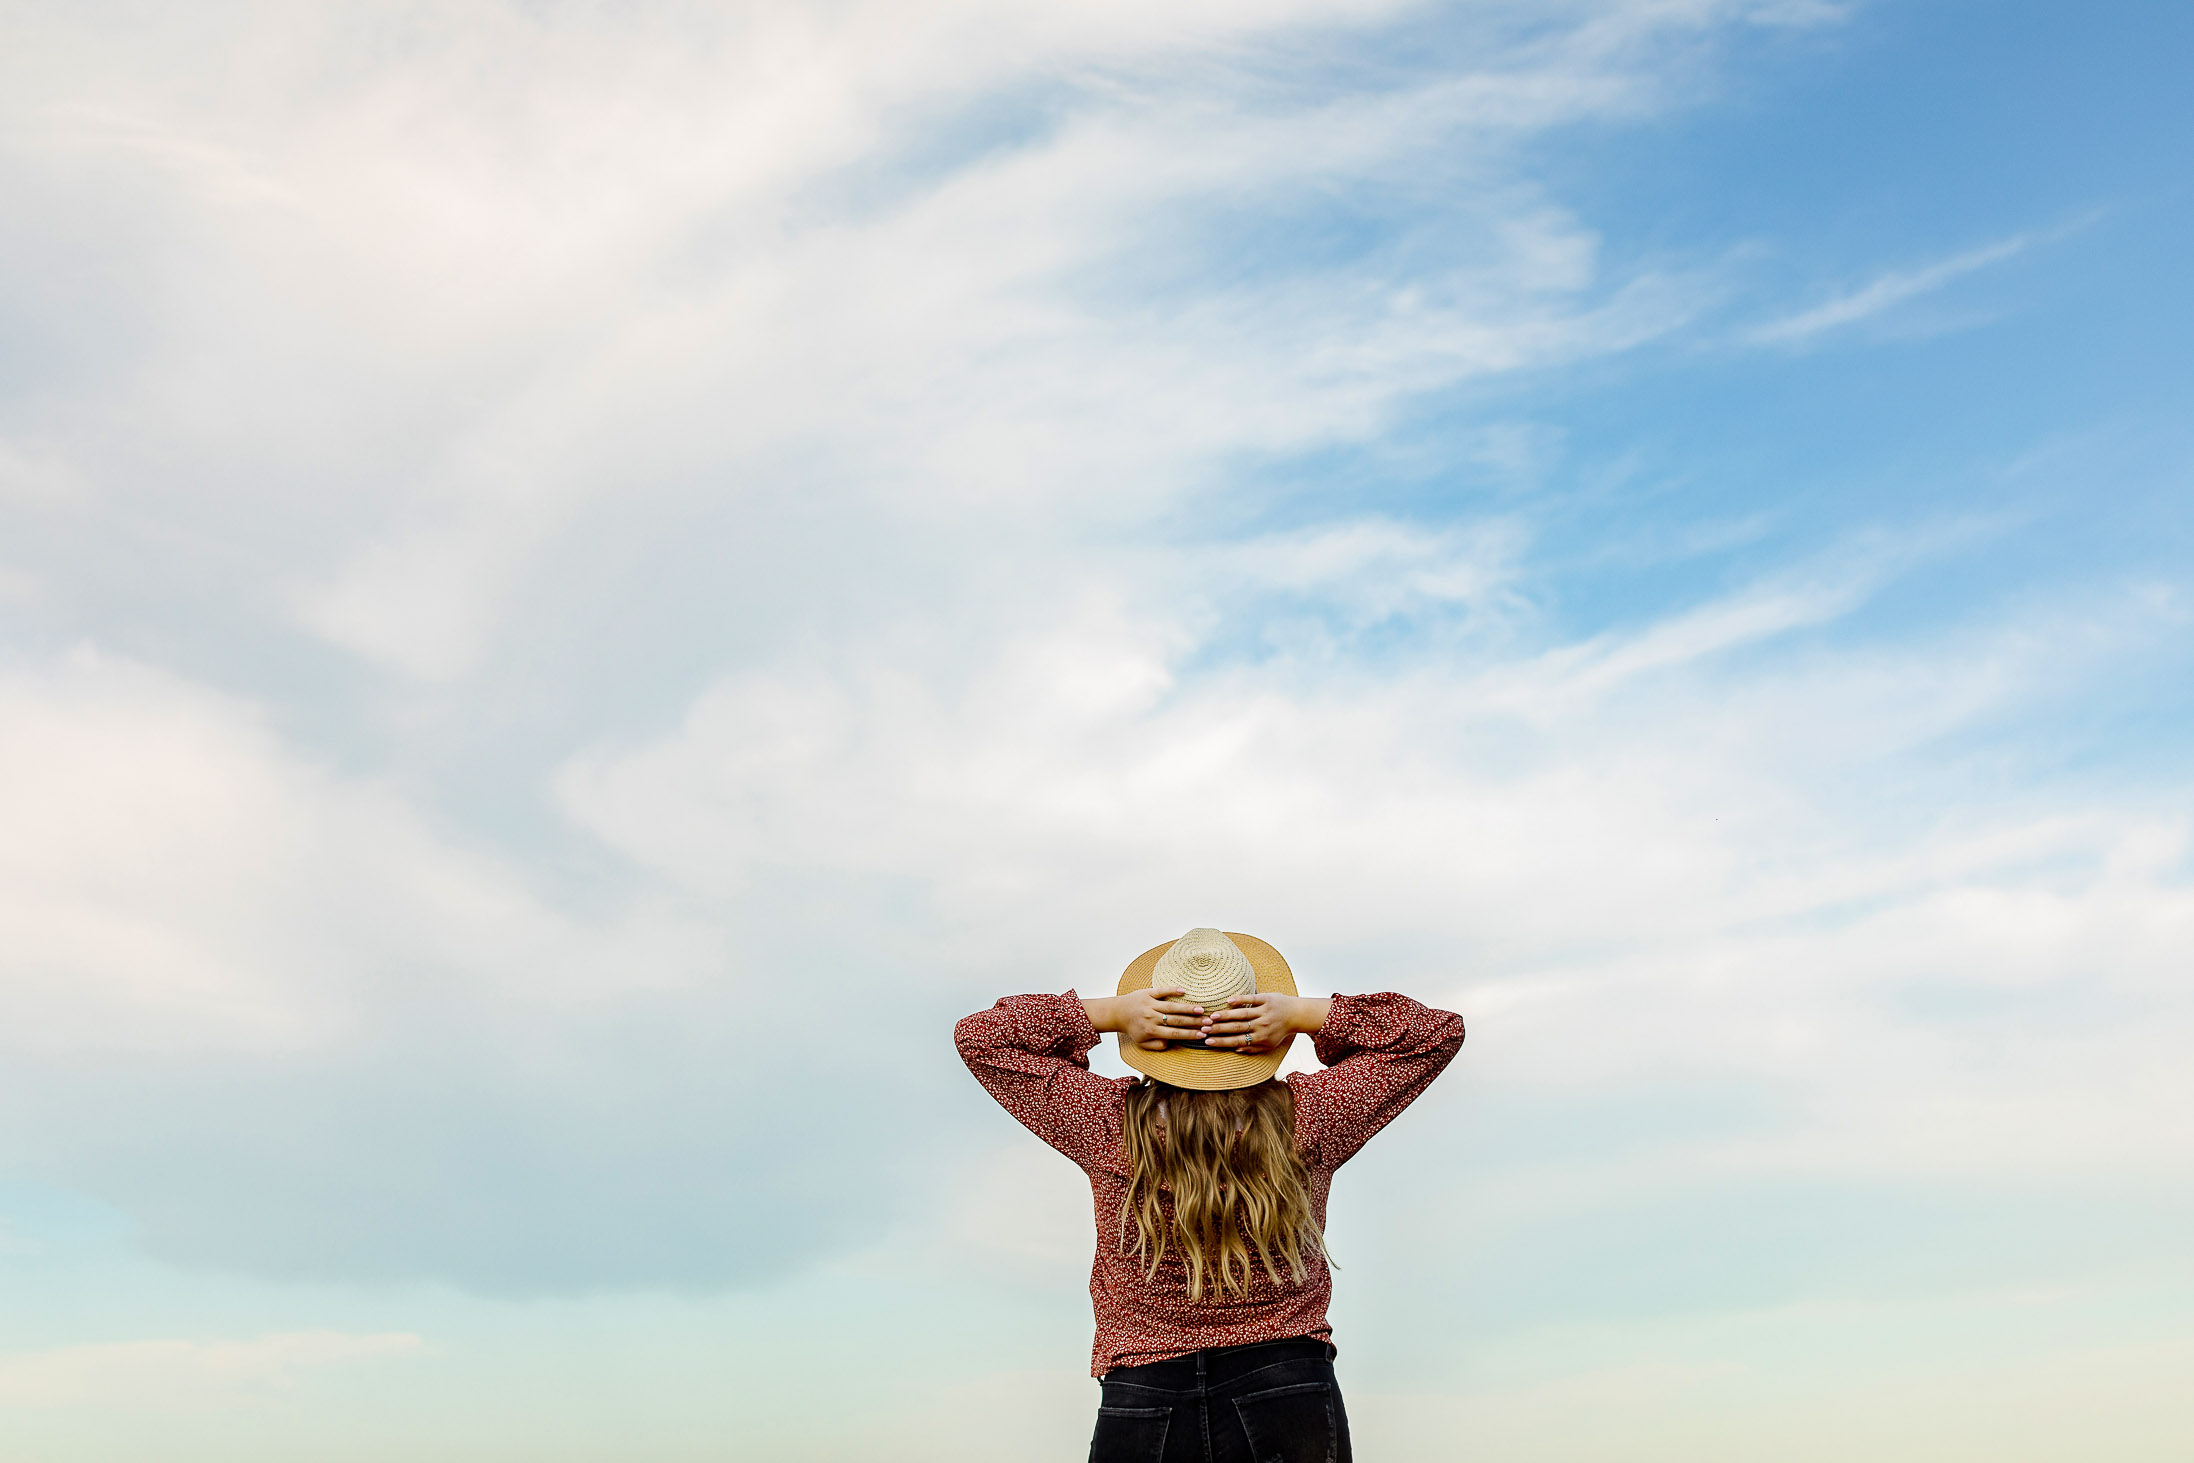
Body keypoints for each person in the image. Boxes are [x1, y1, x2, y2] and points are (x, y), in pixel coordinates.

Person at [956, 927, 1465, 1463]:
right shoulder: (1311, 1117)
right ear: (1255, 1029)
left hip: (1145, 1386)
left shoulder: (1106, 1124)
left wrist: (1109, 1015)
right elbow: (1434, 1032)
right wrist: (1301, 1014)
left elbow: (981, 1036)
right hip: (1286, 1382)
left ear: (1154, 1036)